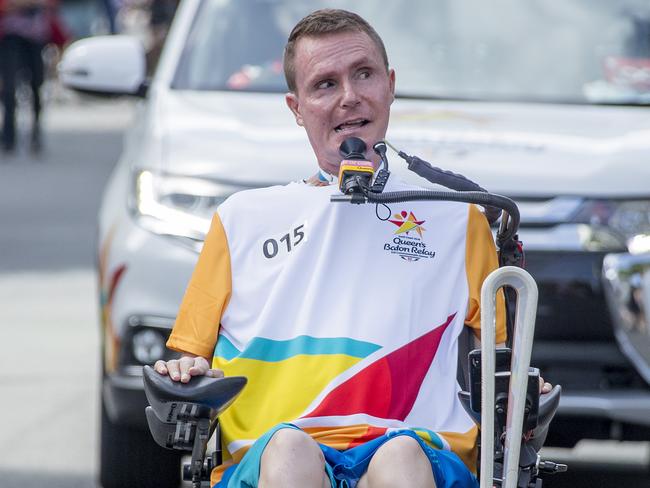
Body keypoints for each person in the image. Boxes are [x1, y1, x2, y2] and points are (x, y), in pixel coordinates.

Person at [154, 9, 550, 488]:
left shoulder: (457, 216)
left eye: (364, 74)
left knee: (401, 456)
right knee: (290, 450)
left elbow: (497, 361)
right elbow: (190, 358)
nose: (349, 97)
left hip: (420, 451)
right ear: (295, 107)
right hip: (271, 455)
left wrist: (523, 387)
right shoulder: (241, 220)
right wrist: (185, 367)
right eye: (324, 85)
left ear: (390, 84)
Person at [0, 0, 66, 154]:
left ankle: (36, 133)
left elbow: (51, 5)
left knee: (37, 86)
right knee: (9, 89)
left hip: (36, 39)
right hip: (11, 39)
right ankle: (8, 136)